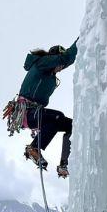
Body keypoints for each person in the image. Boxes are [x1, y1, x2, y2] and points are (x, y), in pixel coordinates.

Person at [18, 39, 78, 178]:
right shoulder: (42, 63)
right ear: (54, 59)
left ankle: (64, 164)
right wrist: (82, 38)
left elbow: (67, 59)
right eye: (59, 64)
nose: (61, 68)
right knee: (57, 117)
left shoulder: (50, 74)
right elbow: (66, 57)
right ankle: (33, 148)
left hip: (34, 113)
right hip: (27, 112)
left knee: (72, 126)